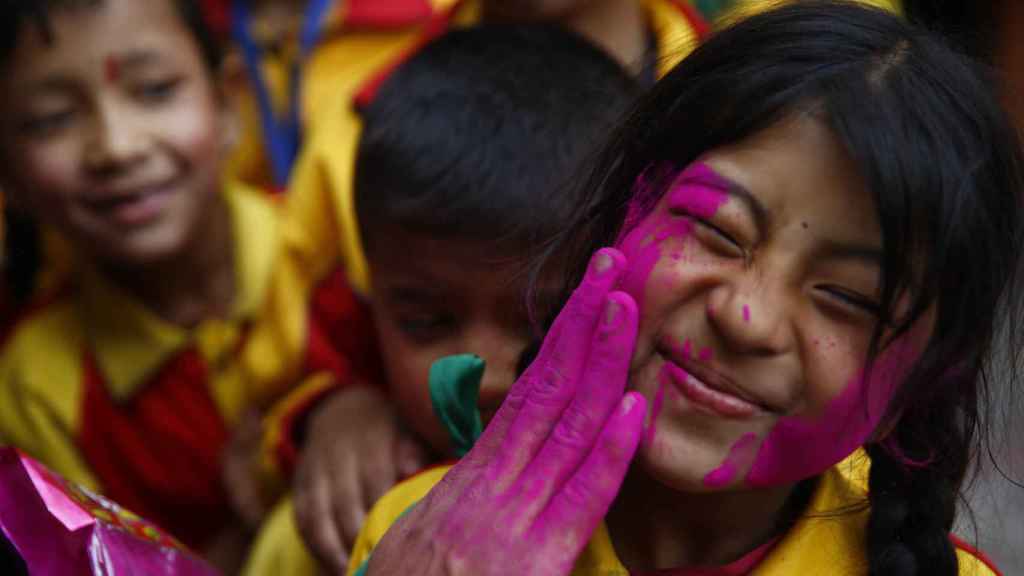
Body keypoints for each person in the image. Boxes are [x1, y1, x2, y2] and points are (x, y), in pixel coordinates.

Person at [347, 2, 1022, 574]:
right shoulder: (429, 540)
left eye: (846, 297)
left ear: (922, 383)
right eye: (717, 230)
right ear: (618, 219)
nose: (745, 316)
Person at [240, 23, 640, 575]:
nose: (486, 372)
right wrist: (328, 411)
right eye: (427, 322)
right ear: (369, 305)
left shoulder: (662, 523)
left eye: (546, 323)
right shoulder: (321, 534)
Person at [0, 0, 369, 570]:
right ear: (9, 177)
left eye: (153, 91)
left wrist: (354, 409)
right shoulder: (35, 385)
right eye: (52, 120)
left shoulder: (333, 251)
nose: (116, 148)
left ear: (227, 105)